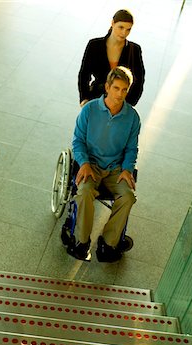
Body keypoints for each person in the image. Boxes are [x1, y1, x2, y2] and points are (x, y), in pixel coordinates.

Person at [65, 66, 140, 263]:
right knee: (84, 192)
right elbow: (78, 141)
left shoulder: (132, 117)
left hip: (116, 169)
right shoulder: (89, 110)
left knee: (128, 197)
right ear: (107, 87)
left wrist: (127, 169)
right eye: (116, 88)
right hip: (91, 165)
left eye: (124, 90)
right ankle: (81, 242)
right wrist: (84, 163)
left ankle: (108, 243)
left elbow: (132, 148)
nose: (120, 94)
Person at [78, 9, 145, 107]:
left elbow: (139, 80)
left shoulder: (134, 50)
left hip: (121, 102)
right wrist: (84, 98)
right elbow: (84, 74)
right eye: (121, 27)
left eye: (128, 29)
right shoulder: (94, 45)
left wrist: (130, 104)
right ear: (112, 23)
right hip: (96, 99)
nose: (124, 33)